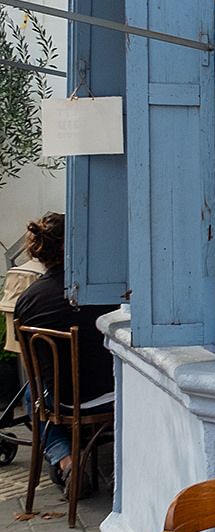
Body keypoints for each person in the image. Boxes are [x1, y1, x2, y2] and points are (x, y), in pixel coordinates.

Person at [13, 212, 114, 494]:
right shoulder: (103, 291)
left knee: (33, 394)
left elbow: (32, 364)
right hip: (111, 396)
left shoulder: (28, 300)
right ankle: (121, 466)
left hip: (64, 402)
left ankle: (66, 460)